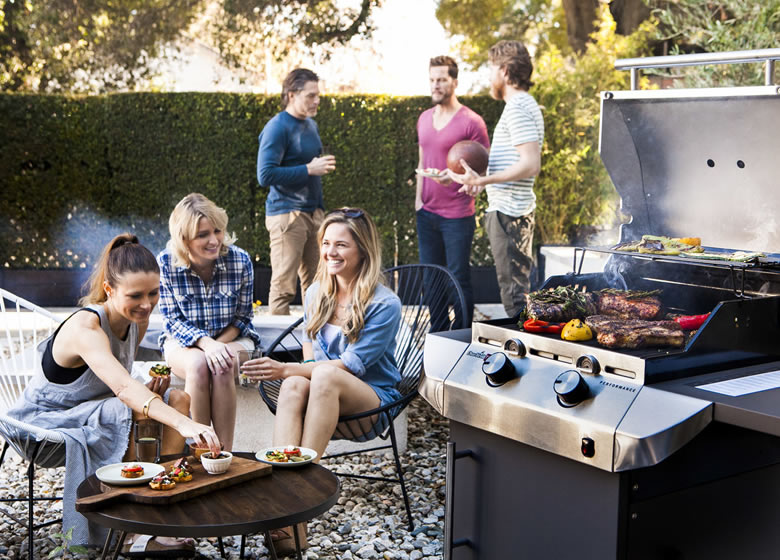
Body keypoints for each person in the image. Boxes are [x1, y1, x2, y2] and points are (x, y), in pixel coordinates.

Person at [7, 234, 221, 551]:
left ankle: (161, 511)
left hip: (92, 414)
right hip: (42, 425)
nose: (147, 304)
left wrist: (155, 399)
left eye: (154, 293)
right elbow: (122, 388)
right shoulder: (86, 327)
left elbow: (120, 384)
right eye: (136, 295)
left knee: (179, 398)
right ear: (109, 289)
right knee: (130, 409)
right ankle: (129, 529)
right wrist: (185, 425)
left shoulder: (137, 320)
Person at [240, 208, 401, 555]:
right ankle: (288, 505)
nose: (330, 252)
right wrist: (296, 372)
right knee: (297, 384)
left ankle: (292, 499)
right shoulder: (316, 293)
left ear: (363, 250)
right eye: (326, 243)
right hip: (322, 396)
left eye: (341, 245)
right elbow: (311, 351)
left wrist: (286, 369)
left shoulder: (385, 304)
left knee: (316, 374)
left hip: (372, 402)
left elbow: (350, 367)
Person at [157, 193, 261, 451]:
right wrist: (205, 345)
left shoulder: (240, 260)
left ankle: (224, 452)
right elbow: (172, 321)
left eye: (218, 231)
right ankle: (201, 450)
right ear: (184, 238)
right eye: (203, 235)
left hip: (234, 338)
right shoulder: (166, 264)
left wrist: (217, 345)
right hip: (182, 342)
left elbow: (243, 318)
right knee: (198, 364)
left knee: (223, 363)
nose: (214, 240)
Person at [449, 40, 544, 318]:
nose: (489, 77)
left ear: (504, 71)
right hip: (511, 211)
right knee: (516, 292)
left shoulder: (517, 107)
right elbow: (516, 162)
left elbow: (530, 165)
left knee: (515, 298)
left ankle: (525, 356)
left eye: (491, 69)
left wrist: (483, 182)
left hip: (510, 214)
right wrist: (475, 177)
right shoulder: (523, 106)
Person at [416, 55, 490, 327]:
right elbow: (422, 160)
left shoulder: (472, 122)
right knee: (430, 278)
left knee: (458, 276)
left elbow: (484, 170)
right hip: (426, 212)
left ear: (454, 82)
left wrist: (458, 179)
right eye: (432, 80)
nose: (435, 85)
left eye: (442, 80)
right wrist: (418, 203)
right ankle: (438, 334)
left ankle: (462, 335)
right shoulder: (424, 118)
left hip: (458, 214)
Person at [257, 68, 336, 315]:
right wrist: (308, 169)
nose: (316, 101)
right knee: (283, 287)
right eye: (310, 96)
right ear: (291, 94)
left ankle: (314, 347)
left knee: (317, 285)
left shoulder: (310, 125)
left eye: (318, 96)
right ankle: (274, 352)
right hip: (287, 215)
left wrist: (320, 210)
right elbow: (265, 175)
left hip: (313, 214)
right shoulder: (277, 127)